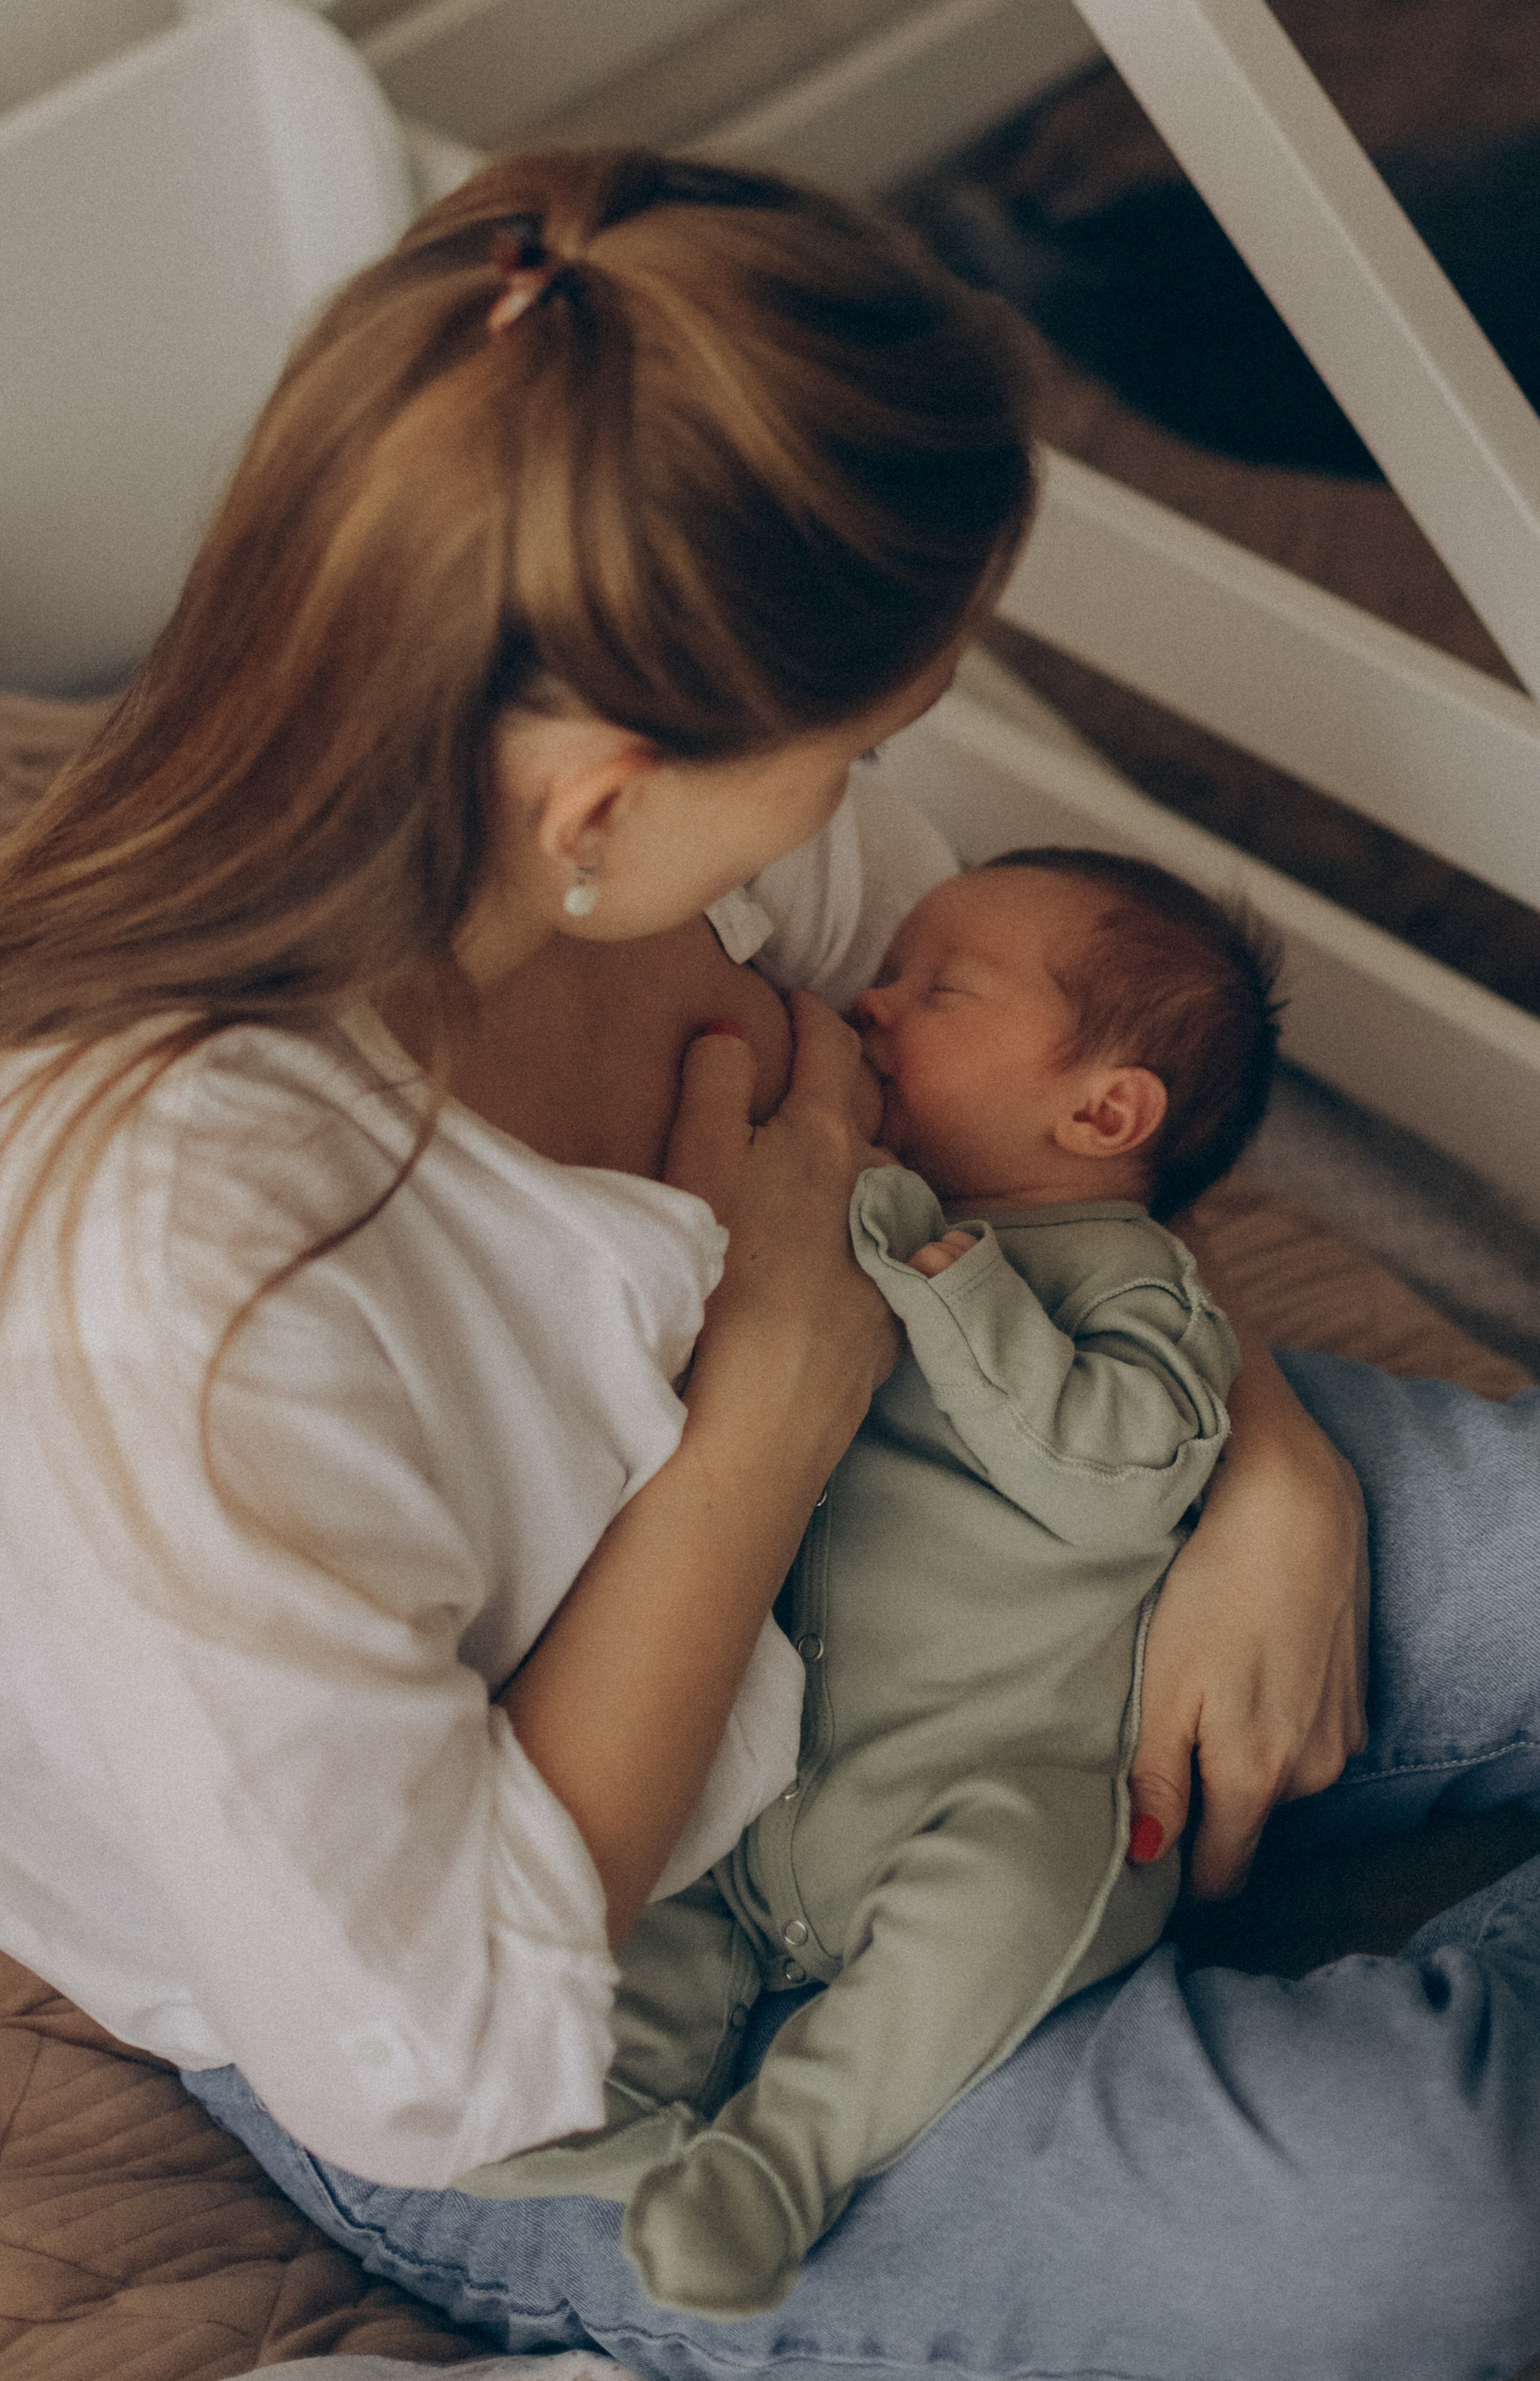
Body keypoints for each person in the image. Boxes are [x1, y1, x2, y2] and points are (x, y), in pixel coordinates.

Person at [0, 143, 1540, 2381]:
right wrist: (779, 1391)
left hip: (978, 1504)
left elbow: (1029, 1159)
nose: (863, 806)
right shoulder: (156, 1296)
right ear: (603, 800)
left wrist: (1264, 1461)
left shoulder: (648, 883)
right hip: (611, 1987)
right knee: (1394, 2226)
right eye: (856, 746)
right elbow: (434, 2043)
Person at [463, 851, 1278, 2315]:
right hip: (748, 1771)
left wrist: (960, 1287)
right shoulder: (861, 1190)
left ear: (1103, 1111)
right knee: (614, 1950)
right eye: (889, 973)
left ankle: (785, 2160)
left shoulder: (1127, 1279)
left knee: (1029, 1886)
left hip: (976, 1780)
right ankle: (620, 2137)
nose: (872, 1003)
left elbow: (1123, 1475)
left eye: (937, 989)